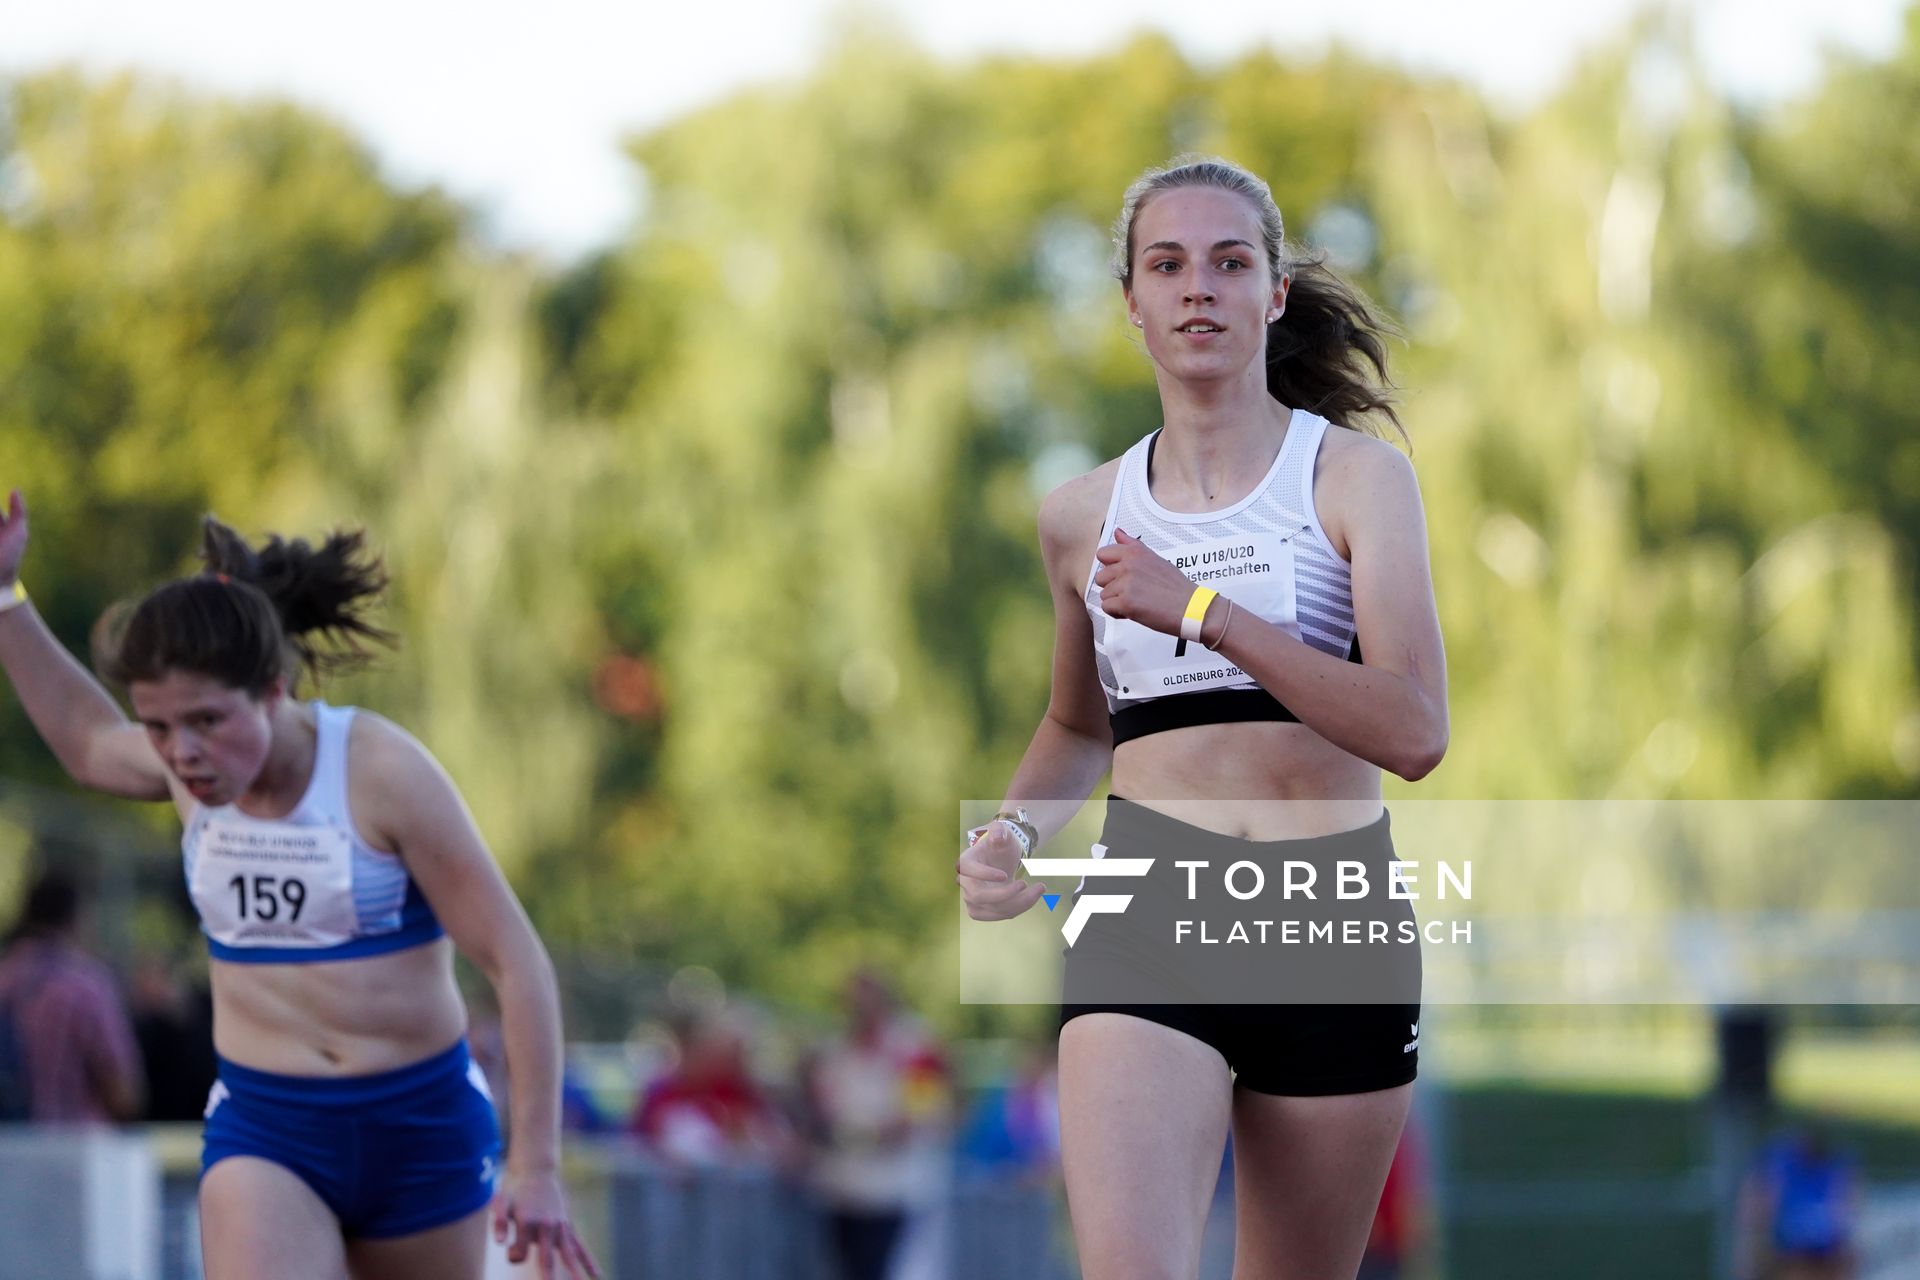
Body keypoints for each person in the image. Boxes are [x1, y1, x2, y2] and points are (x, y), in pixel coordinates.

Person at [957, 156, 1447, 1279]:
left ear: (1274, 293)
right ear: (1130, 301)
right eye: (1167, 265)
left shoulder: (1356, 482)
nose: (1199, 289)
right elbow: (1079, 729)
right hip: (1149, 908)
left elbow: (1417, 730)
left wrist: (1208, 613)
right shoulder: (1079, 515)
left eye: (1231, 263)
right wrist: (1015, 832)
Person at [0, 495, 598, 1280]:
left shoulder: (381, 775)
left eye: (208, 721)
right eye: (158, 727)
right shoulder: (186, 776)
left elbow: (518, 963)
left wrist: (538, 1167)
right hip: (270, 1129)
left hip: (417, 1126)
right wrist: (6, 598)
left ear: (274, 690)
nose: (181, 753)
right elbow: (83, 741)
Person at [0, 867, 144, 1123]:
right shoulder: (84, 984)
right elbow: (124, 1093)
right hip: (74, 1148)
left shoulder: (7, 976)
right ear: (77, 916)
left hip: (8, 1149)